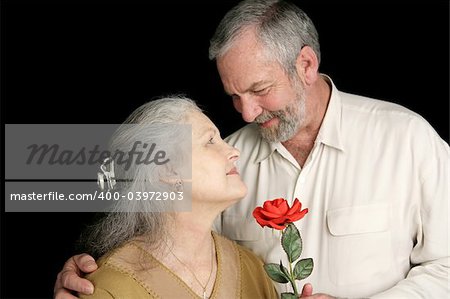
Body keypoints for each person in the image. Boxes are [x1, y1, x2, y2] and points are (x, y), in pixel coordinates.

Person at [54, 0, 449, 298]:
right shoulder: (228, 162)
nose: (246, 111)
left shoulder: (407, 138)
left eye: (259, 90)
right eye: (234, 96)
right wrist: (97, 274)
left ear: (306, 65)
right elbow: (168, 251)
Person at [69, 96, 278, 298]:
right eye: (211, 141)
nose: (234, 151)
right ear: (168, 171)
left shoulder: (253, 269)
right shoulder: (109, 287)